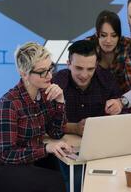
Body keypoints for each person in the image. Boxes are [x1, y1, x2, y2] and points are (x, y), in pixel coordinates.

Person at [0, 42, 73, 192]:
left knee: (64, 170)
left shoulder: (44, 93)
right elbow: (7, 155)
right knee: (54, 182)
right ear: (24, 74)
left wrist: (61, 101)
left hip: (25, 162)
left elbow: (56, 133)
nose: (49, 75)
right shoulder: (9, 104)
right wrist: (46, 148)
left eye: (50, 68)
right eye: (42, 72)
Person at [52, 40, 122, 192]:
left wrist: (118, 107)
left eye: (90, 69)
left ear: (96, 65)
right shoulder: (57, 83)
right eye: (78, 68)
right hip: (67, 149)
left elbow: (124, 117)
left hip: (103, 148)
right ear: (68, 63)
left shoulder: (107, 80)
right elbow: (44, 123)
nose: (84, 75)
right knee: (77, 179)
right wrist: (74, 128)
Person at [86, 10, 131, 113]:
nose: (108, 41)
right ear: (97, 34)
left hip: (121, 104)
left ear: (119, 35)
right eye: (104, 35)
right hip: (93, 103)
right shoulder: (88, 45)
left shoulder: (127, 45)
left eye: (114, 35)